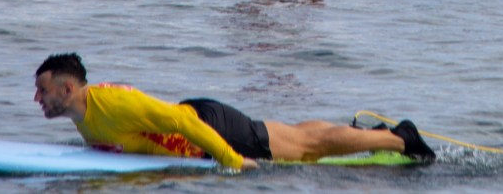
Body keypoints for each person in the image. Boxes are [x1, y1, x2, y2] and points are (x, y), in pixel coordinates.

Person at [33, 53, 435, 169]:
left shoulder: (114, 104)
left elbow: (182, 123)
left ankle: (400, 138)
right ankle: (362, 131)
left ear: (68, 88)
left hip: (209, 131)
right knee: (294, 134)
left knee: (308, 150)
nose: (38, 99)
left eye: (42, 90)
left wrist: (231, 160)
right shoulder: (80, 111)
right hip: (198, 129)